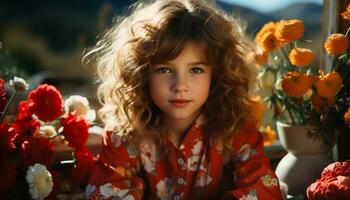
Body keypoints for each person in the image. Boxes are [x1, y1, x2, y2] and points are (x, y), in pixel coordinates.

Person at [84, 0, 282, 199]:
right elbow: (103, 191)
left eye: (196, 69)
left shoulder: (237, 129)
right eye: (164, 69)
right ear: (141, 73)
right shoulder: (123, 135)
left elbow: (265, 189)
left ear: (217, 74)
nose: (180, 86)